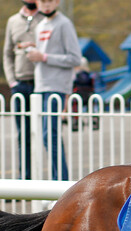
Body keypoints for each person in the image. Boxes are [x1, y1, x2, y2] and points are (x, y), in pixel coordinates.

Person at [26, 0, 81, 180]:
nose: (46, 5)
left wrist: (44, 57)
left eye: (50, 1)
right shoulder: (40, 24)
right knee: (45, 137)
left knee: (51, 135)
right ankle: (57, 180)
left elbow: (75, 58)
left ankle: (61, 183)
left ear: (57, 2)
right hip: (40, 85)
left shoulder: (64, 24)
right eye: (43, 1)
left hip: (56, 86)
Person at [2, 0, 41, 180]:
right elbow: (7, 54)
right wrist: (12, 81)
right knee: (23, 135)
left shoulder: (46, 19)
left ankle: (56, 184)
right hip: (20, 84)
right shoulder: (13, 21)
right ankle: (24, 180)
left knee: (47, 135)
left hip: (41, 85)